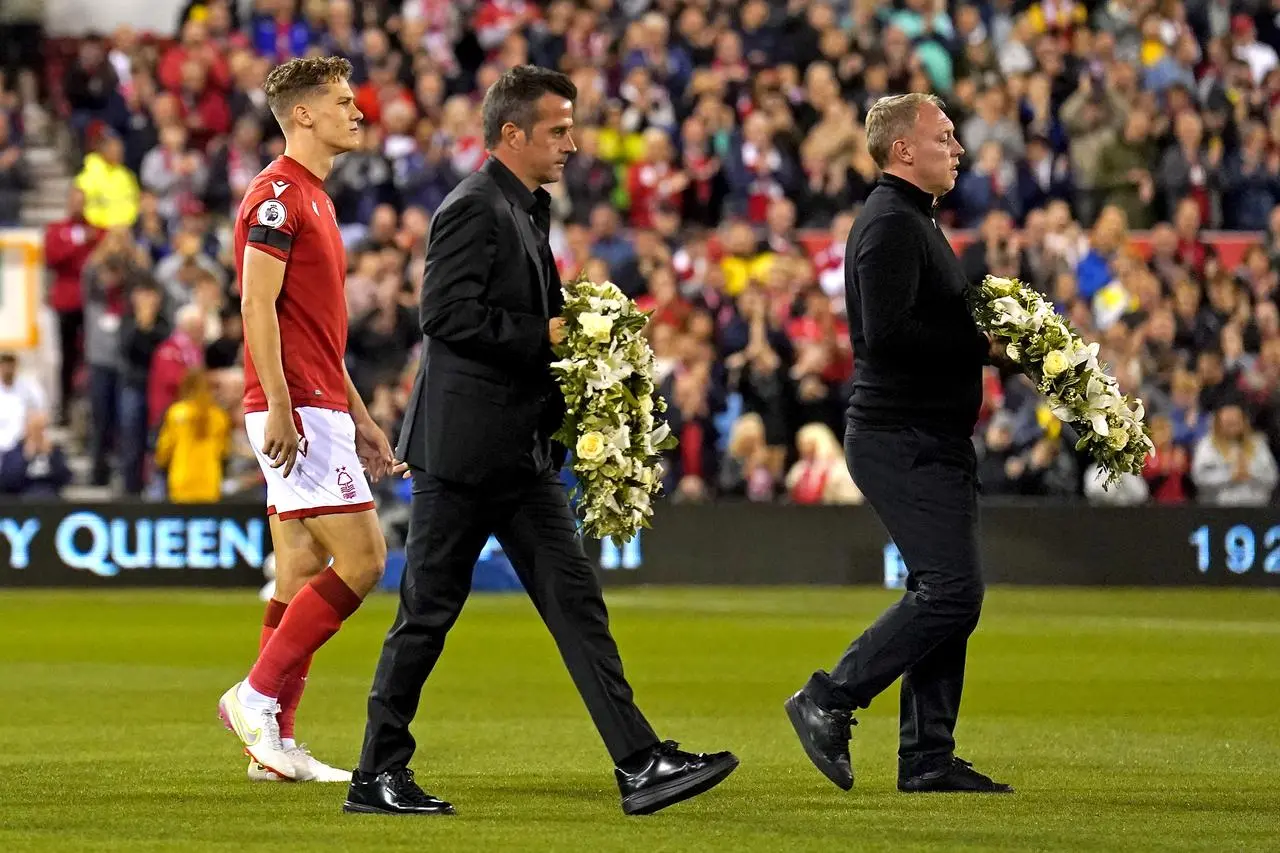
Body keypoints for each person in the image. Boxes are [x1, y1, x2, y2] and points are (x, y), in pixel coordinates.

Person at [346, 65, 739, 817]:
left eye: (571, 127)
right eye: (558, 129)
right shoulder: (474, 207)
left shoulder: (527, 207)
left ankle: (639, 761)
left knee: (576, 602)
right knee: (427, 614)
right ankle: (376, 773)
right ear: (511, 133)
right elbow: (444, 316)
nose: (571, 142)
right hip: (463, 455)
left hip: (517, 452)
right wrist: (552, 333)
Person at [784, 93, 1013, 795]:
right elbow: (885, 335)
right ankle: (830, 696)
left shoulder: (912, 220)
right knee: (952, 590)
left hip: (925, 433)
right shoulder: (890, 223)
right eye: (944, 136)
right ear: (902, 150)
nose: (959, 148)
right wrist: (984, 345)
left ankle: (928, 755)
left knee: (940, 587)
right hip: (899, 433)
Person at [216, 56, 398, 784]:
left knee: (299, 570)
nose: (358, 112)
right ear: (303, 115)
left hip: (320, 402)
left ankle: (275, 746)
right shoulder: (275, 198)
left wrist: (362, 417)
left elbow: (316, 331)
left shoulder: (314, 197)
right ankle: (255, 696)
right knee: (366, 560)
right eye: (344, 102)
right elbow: (255, 305)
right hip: (295, 408)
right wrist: (286, 404)